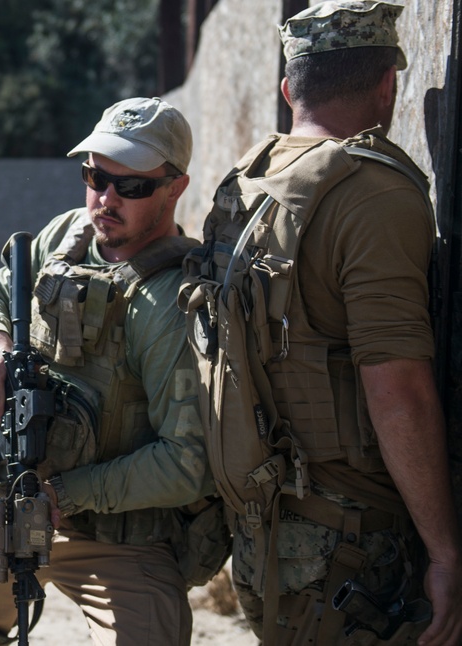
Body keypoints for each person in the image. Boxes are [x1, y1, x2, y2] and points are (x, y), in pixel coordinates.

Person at [182, 2, 462, 644]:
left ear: (289, 89)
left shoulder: (248, 182)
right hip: (354, 552)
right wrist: (444, 552)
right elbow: (397, 389)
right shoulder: (374, 195)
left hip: (265, 533)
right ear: (388, 86)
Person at [0, 97, 215, 646]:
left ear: (175, 187)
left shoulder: (173, 303)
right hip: (12, 503)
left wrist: (70, 494)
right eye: (96, 176)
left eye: (132, 186)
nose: (107, 198)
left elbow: (187, 462)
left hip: (118, 538)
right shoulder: (66, 238)